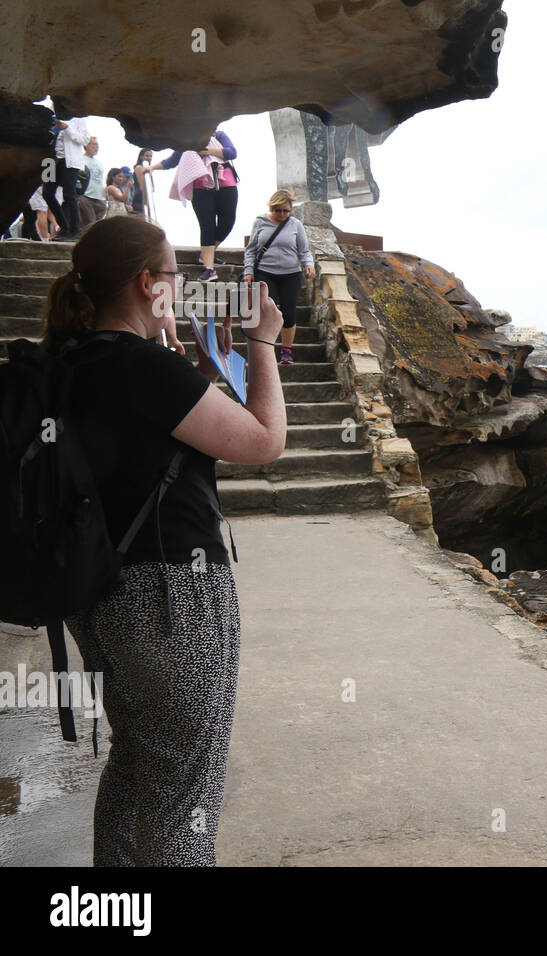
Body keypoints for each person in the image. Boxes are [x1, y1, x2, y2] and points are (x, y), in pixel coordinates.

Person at [42, 215, 286, 866]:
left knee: (144, 769)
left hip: (99, 597)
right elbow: (263, 441)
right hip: (170, 601)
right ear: (149, 284)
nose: (179, 291)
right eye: (174, 279)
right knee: (181, 794)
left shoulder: (63, 361)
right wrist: (262, 344)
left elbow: (163, 438)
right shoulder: (143, 369)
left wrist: (199, 368)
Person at [149, 128, 238, 281]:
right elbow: (173, 160)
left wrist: (206, 150)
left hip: (226, 183)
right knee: (207, 225)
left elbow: (231, 153)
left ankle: (206, 254)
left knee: (227, 222)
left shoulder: (219, 135)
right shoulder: (187, 140)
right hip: (201, 187)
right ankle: (209, 268)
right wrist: (152, 168)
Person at [243, 190, 315, 364]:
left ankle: (286, 350)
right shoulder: (260, 222)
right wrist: (248, 271)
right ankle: (265, 348)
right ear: (272, 208)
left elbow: (304, 250)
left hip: (291, 274)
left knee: (289, 313)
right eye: (278, 211)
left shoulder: (295, 224)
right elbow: (251, 250)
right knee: (267, 311)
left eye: (286, 211)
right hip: (265, 272)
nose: (282, 215)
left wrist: (309, 264)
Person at [42, 116, 90, 241]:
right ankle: (64, 227)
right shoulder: (49, 114)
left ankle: (75, 230)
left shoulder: (78, 118)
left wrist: (67, 128)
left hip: (70, 161)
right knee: (47, 194)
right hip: (49, 161)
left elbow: (85, 140)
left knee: (69, 195)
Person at [82, 137, 107, 222]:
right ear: (86, 145)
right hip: (86, 196)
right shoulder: (80, 159)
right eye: (94, 144)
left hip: (100, 198)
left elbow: (101, 180)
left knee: (98, 225)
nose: (97, 147)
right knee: (89, 223)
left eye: (98, 145)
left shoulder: (99, 163)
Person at [130, 149, 153, 217]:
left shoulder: (148, 169)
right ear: (141, 157)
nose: (149, 158)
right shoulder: (139, 167)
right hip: (139, 198)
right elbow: (142, 186)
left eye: (151, 156)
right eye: (147, 156)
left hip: (145, 196)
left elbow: (152, 187)